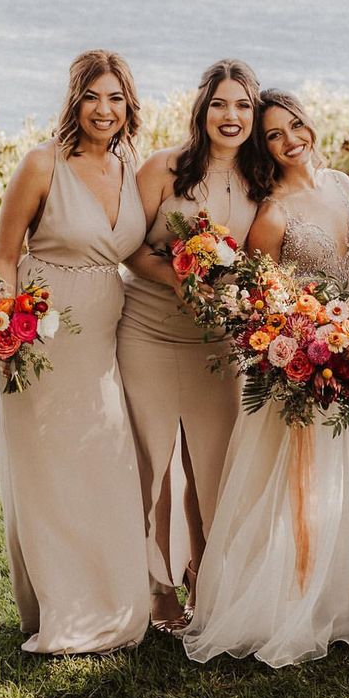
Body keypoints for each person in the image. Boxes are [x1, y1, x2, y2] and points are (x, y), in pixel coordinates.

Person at [180, 89, 349, 668]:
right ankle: (297, 598)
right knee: (304, 484)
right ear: (262, 147)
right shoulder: (271, 213)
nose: (290, 138)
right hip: (309, 361)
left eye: (294, 125)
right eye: (273, 134)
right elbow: (259, 299)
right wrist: (304, 339)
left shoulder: (345, 185)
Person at [0, 49, 149, 654]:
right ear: (75, 101)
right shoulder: (42, 165)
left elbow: (130, 250)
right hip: (41, 336)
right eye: (92, 97)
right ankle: (62, 608)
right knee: (50, 474)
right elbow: (5, 258)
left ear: (128, 104)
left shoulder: (129, 166)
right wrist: (6, 333)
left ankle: (111, 601)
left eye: (114, 98)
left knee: (103, 464)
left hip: (105, 341)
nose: (103, 110)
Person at [116, 60, 267, 632]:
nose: (231, 117)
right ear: (202, 110)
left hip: (216, 342)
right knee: (151, 463)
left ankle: (206, 576)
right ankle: (157, 587)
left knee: (214, 465)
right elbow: (127, 247)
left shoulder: (260, 181)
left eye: (243, 106)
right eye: (220, 105)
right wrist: (176, 275)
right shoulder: (162, 169)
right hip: (149, 331)